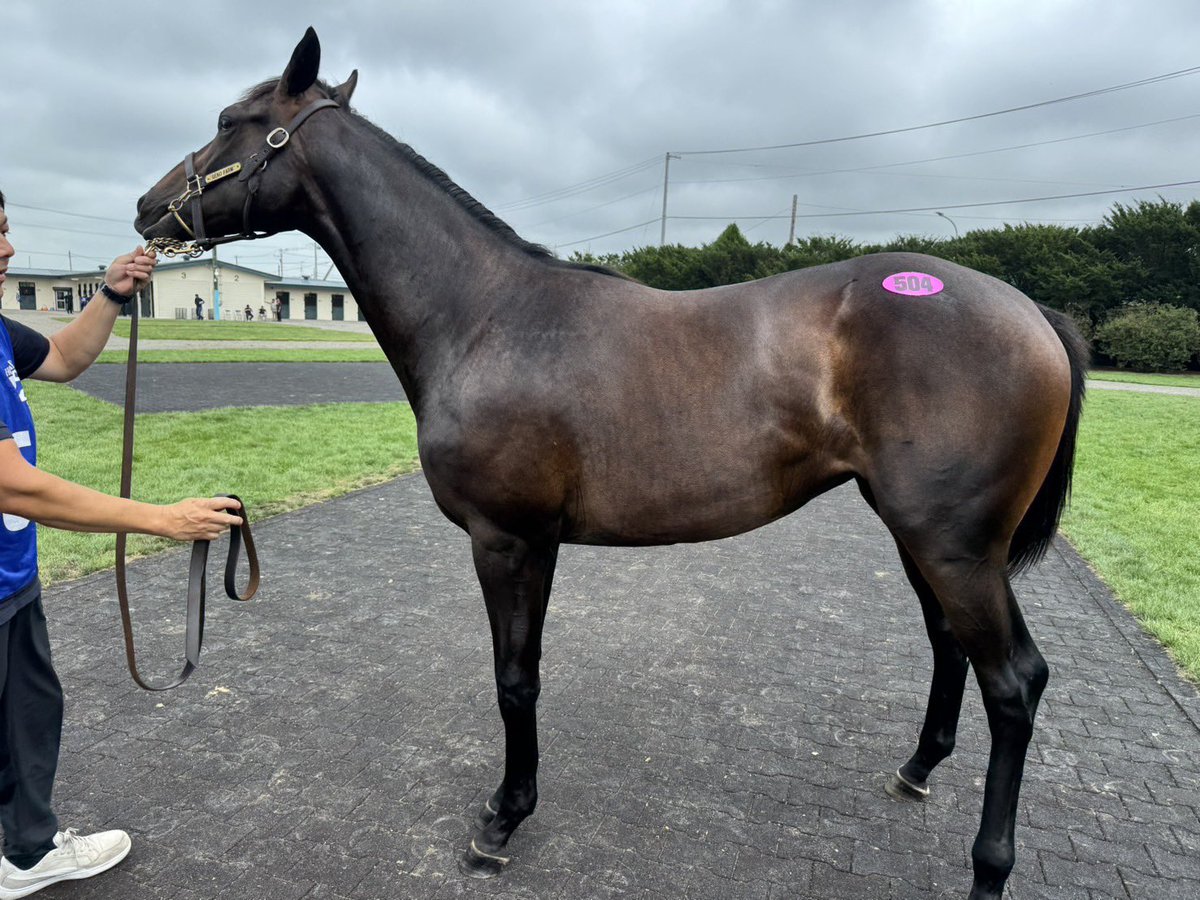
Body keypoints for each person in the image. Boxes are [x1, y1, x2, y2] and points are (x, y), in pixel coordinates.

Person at [0, 190, 244, 897]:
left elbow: (66, 356)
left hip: (12, 580)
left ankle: (28, 852)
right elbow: (13, 486)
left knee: (27, 720)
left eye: (7, 232)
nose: (10, 251)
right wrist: (162, 519)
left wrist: (109, 292)